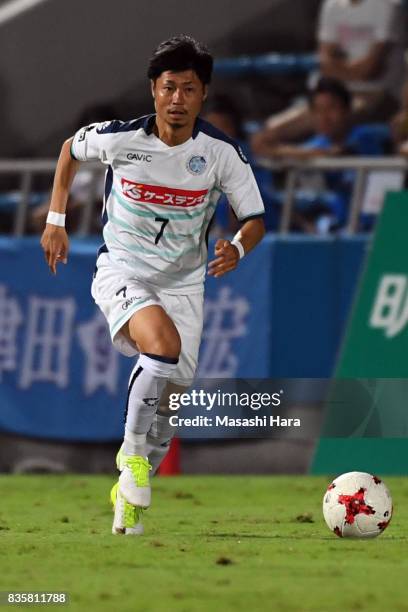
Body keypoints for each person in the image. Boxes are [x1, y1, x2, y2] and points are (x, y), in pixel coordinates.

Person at [40, 35, 265, 535]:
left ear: (203, 94)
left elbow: (254, 218)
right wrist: (56, 219)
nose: (177, 100)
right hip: (123, 269)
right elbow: (69, 149)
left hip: (185, 285)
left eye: (188, 89)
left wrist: (239, 248)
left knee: (170, 408)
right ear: (153, 91)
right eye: (169, 88)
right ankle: (132, 458)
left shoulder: (221, 154)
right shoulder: (122, 139)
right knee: (161, 347)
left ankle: (129, 496)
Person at [253, 77, 392, 231]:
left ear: (347, 110)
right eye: (318, 111)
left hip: (378, 224)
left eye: (332, 108)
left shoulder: (365, 136)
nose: (325, 117)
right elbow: (261, 145)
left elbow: (338, 152)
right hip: (343, 224)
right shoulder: (320, 143)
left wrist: (293, 152)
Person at [257, 0, 404, 145]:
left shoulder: (388, 5)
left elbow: (368, 70)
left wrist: (339, 67)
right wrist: (353, 70)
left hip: (378, 94)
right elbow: (325, 62)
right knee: (270, 130)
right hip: (332, 93)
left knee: (333, 121)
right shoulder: (332, 5)